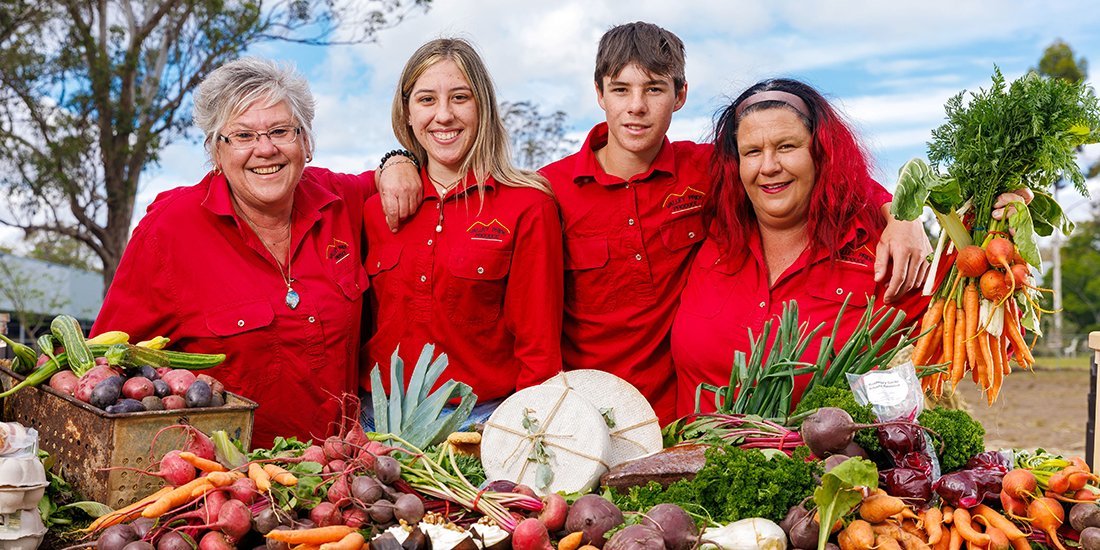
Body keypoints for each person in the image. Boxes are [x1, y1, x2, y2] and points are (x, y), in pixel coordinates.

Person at [538, 22, 931, 424]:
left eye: (654, 88)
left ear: (680, 95)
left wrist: (901, 213)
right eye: (621, 89)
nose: (636, 105)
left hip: (673, 420)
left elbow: (830, 173)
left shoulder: (708, 170)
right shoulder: (548, 191)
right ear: (599, 93)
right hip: (588, 414)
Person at [92, 57, 417, 448]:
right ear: (215, 151)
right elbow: (108, 362)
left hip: (339, 473)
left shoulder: (338, 199)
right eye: (243, 136)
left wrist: (400, 161)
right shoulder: (169, 230)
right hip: (229, 482)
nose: (265, 149)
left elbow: (391, 181)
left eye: (281, 130)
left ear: (306, 143)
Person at [671, 78, 943, 416]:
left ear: (821, 153)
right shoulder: (706, 229)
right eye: (752, 152)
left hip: (830, 468)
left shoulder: (881, 250)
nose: (769, 166)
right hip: (693, 462)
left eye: (787, 147)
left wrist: (993, 228)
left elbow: (976, 330)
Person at [360, 38, 564, 423]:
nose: (443, 115)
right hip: (375, 423)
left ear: (482, 107)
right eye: (426, 100)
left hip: (480, 422)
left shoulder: (528, 207)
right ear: (406, 113)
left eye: (459, 97)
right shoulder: (375, 210)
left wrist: (528, 431)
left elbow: (538, 349)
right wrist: (394, 160)